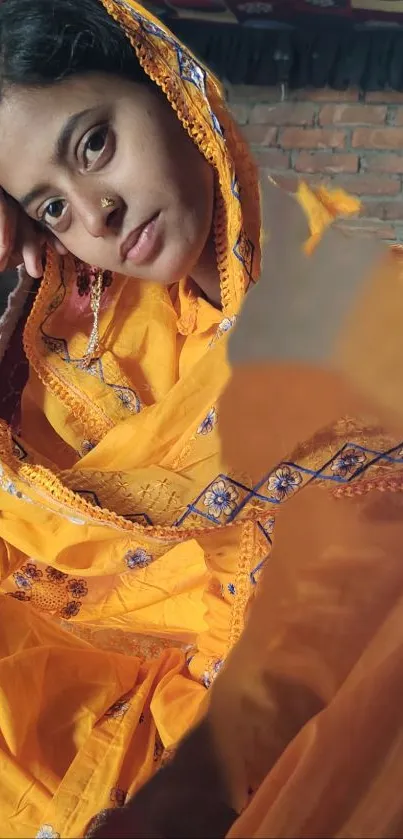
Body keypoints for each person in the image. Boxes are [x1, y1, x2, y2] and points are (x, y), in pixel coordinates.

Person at [0, 1, 403, 837]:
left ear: (169, 83)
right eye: (49, 208)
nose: (94, 213)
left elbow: (359, 584)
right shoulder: (73, 340)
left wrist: (194, 782)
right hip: (87, 703)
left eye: (94, 144)